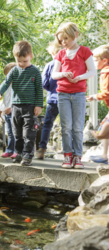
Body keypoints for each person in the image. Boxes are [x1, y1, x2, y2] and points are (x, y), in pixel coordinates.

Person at [51, 22, 96, 169]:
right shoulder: (61, 53)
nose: (63, 42)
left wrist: (79, 77)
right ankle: (67, 156)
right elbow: (54, 74)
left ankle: (77, 157)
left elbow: (92, 71)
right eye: (61, 40)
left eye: (66, 39)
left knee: (77, 127)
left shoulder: (84, 51)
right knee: (66, 127)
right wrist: (64, 74)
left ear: (75, 34)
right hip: (63, 94)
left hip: (78, 94)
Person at [0, 40, 43, 166]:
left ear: (31, 57)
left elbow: (39, 89)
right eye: (19, 61)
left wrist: (39, 105)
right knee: (17, 132)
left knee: (28, 132)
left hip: (30, 106)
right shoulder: (14, 71)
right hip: (16, 106)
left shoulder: (35, 72)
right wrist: (0, 92)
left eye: (25, 61)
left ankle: (28, 155)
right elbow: (6, 82)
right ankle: (19, 152)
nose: (21, 64)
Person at [35, 41, 62, 159]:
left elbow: (44, 83)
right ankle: (68, 151)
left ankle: (41, 149)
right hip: (65, 98)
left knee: (47, 125)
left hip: (52, 99)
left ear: (51, 52)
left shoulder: (50, 65)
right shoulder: (66, 64)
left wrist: (51, 89)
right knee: (66, 126)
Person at [86, 45, 109, 164]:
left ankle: (105, 155)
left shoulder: (106, 72)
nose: (93, 62)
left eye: (95, 60)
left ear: (104, 61)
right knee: (105, 127)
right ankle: (104, 155)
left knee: (104, 129)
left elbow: (107, 92)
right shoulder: (105, 72)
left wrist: (94, 96)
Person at [0, 62, 18, 158]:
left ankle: (17, 150)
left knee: (16, 132)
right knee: (9, 132)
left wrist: (11, 107)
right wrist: (1, 109)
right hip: (7, 112)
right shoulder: (7, 85)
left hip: (15, 111)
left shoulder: (18, 86)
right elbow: (6, 99)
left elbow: (18, 99)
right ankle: (9, 150)